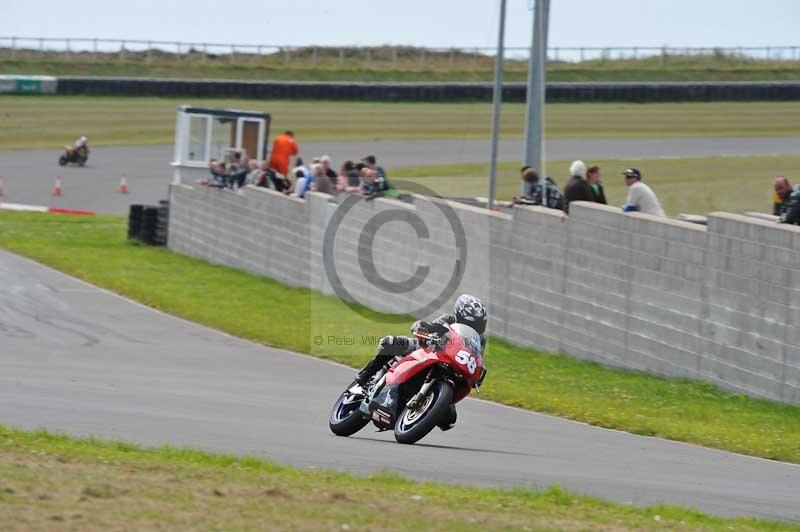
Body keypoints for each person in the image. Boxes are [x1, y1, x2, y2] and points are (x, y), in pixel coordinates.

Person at [354, 294, 488, 431]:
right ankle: (364, 377)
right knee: (391, 343)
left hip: (451, 366)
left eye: (478, 323)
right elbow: (425, 326)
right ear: (459, 314)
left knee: (449, 419)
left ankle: (421, 408)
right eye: (471, 322)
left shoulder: (480, 340)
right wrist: (424, 330)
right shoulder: (448, 320)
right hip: (426, 350)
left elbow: (477, 358)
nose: (474, 326)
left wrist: (478, 372)